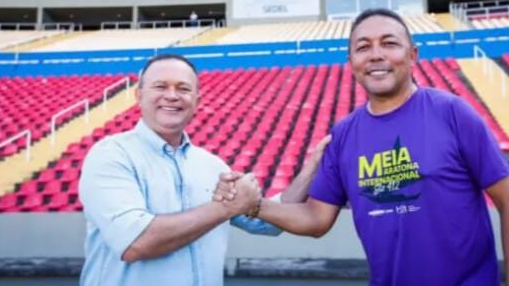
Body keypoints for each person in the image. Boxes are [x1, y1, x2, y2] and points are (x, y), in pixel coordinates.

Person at [216, 8, 509, 285]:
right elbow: (315, 219)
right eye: (362, 47)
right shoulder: (343, 135)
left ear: (413, 56)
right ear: (351, 62)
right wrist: (254, 204)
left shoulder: (452, 112)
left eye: (390, 43)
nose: (376, 55)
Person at [79, 53, 329, 286]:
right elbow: (135, 242)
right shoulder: (111, 155)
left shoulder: (212, 165)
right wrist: (226, 208)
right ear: (139, 95)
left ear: (197, 101)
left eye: (183, 88)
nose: (172, 95)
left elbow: (267, 224)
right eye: (160, 86)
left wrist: (311, 170)